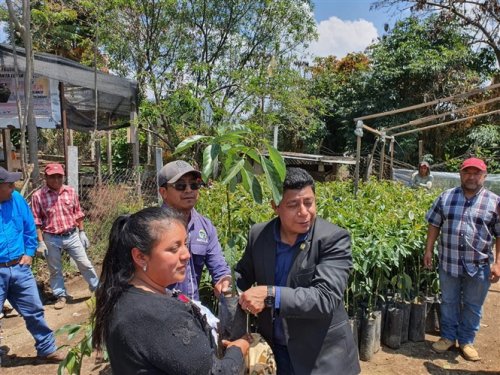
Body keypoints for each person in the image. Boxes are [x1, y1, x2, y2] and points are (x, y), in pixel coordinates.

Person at [92, 206, 250, 374]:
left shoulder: (123, 294)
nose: (186, 255)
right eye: (174, 249)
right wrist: (238, 349)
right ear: (140, 257)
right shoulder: (160, 316)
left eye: (185, 244)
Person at [235, 167, 360, 375]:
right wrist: (226, 282)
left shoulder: (333, 239)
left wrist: (270, 294)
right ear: (275, 205)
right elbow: (243, 274)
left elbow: (325, 297)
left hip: (322, 359)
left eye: (309, 203)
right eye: (293, 205)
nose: (304, 212)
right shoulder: (258, 235)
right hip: (276, 352)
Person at [424, 157, 500, 361]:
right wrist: (428, 250)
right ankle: (448, 337)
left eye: (477, 173)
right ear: (460, 174)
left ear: (484, 176)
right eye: (467, 172)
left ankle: (467, 341)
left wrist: (498, 263)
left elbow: (499, 234)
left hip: (479, 264)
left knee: (473, 305)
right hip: (449, 260)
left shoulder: (494, 201)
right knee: (448, 301)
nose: (471, 177)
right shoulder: (446, 197)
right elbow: (434, 224)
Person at [0, 167, 64, 362]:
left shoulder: (17, 199)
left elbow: (29, 228)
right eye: (8, 184)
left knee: (34, 310)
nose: (13, 187)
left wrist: (29, 253)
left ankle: (46, 349)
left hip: (19, 267)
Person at [158, 160, 231, 300]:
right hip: (162, 310)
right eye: (180, 185)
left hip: (193, 311)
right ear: (163, 192)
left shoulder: (205, 226)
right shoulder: (153, 227)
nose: (188, 190)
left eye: (194, 184)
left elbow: (219, 267)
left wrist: (224, 279)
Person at [31, 163, 99, 309]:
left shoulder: (70, 191)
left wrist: (82, 232)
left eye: (59, 176)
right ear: (46, 177)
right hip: (51, 237)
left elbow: (78, 213)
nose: (56, 180)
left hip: (71, 235)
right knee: (55, 269)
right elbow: (36, 221)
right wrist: (41, 242)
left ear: (63, 176)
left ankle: (97, 289)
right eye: (52, 177)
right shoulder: (38, 196)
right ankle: (60, 295)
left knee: (84, 263)